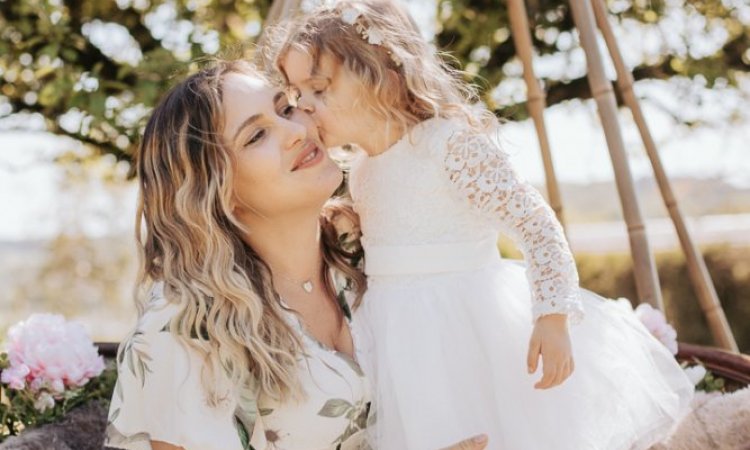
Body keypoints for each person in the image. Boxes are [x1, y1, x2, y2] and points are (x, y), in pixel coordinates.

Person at [271, 1, 695, 449]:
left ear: (382, 73)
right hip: (399, 344)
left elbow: (536, 225)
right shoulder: (359, 170)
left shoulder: (447, 144)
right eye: (298, 96)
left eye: (318, 89)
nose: (305, 109)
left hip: (468, 331)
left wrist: (552, 316)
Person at [104, 59, 489, 450]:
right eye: (256, 136)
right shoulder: (185, 327)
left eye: (285, 107)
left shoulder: (367, 246)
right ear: (217, 193)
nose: (295, 130)